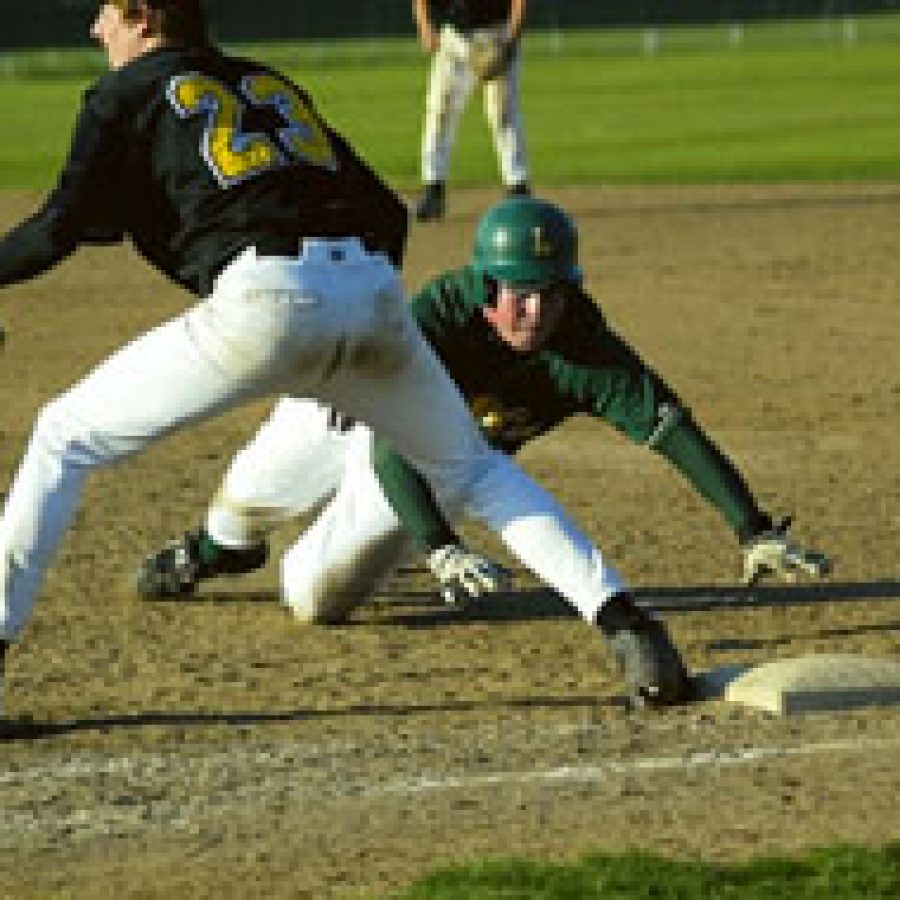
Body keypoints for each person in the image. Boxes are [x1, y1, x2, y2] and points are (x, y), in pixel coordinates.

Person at [0, 2, 691, 721]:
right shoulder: (265, 82)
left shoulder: (122, 92)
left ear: (143, 18)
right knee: (475, 468)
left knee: (62, 436)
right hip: (371, 294)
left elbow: (58, 229)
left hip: (262, 300)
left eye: (106, 13)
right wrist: (353, 337)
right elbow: (387, 215)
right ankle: (630, 629)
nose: (93, 29)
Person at [136, 200, 829, 669]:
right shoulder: (438, 320)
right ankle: (209, 553)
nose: (537, 308)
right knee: (247, 506)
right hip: (343, 411)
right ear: (485, 286)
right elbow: (384, 429)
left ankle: (388, 546)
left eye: (552, 291)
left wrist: (752, 527)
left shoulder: (582, 348)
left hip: (421, 461)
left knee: (316, 599)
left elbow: (673, 431)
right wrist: (440, 545)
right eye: (519, 291)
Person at [412, 0, 530, 222]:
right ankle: (433, 189)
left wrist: (512, 40)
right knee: (439, 111)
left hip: (497, 35)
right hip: (455, 39)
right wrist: (425, 29)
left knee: (502, 112)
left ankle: (518, 189)